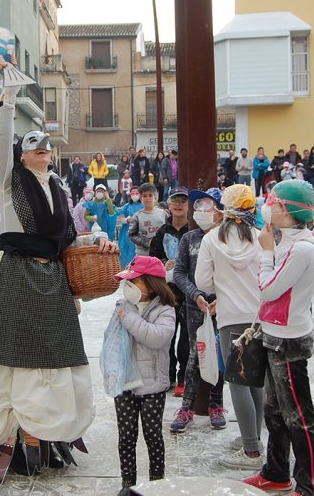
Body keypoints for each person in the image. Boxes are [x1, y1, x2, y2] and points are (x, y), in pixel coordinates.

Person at [0, 64, 118, 484]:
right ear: (22, 153)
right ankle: (15, 441)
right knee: (13, 361)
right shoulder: (9, 180)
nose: (42, 148)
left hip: (54, 278)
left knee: (57, 359)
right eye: (33, 144)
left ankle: (51, 434)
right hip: (15, 275)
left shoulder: (59, 187)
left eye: (46, 145)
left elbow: (68, 238)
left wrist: (99, 242)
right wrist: (6, 96)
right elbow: (2, 139)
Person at [242, 179, 314, 496]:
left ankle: (311, 487)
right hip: (275, 334)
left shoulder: (302, 248)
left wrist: (266, 252)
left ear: (288, 210)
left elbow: (268, 288)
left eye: (274, 202)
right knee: (274, 411)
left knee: (299, 417)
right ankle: (276, 472)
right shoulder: (289, 242)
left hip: (289, 341)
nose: (269, 206)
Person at [195, 184, 265, 470]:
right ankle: (255, 438)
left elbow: (203, 283)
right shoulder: (260, 238)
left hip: (230, 316)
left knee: (237, 381)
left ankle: (251, 451)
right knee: (256, 380)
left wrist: (222, 288)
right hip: (258, 316)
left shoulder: (212, 239)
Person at [111, 256, 176, 490]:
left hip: (152, 387)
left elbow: (157, 338)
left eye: (133, 281)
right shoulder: (122, 305)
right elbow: (113, 344)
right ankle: (127, 483)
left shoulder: (165, 310)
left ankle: (157, 484)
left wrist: (129, 319)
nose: (127, 287)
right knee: (126, 437)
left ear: (151, 283)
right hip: (126, 384)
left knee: (153, 436)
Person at [169, 188, 227, 433]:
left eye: (208, 206)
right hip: (195, 307)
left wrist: (221, 299)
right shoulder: (189, 239)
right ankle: (186, 407)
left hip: (222, 307)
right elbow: (179, 273)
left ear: (220, 212)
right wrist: (195, 294)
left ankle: (216, 403)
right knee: (195, 354)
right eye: (198, 206)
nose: (202, 212)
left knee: (219, 354)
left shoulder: (227, 238)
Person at [148, 187, 190, 397]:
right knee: (167, 337)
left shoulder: (193, 232)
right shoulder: (162, 231)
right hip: (166, 292)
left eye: (183, 200)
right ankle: (168, 376)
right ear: (169, 204)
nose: (179, 204)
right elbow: (152, 258)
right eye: (175, 200)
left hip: (188, 292)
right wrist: (164, 264)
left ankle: (183, 377)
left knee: (186, 339)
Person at [129, 183, 166, 257]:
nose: (148, 198)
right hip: (143, 255)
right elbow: (132, 235)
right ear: (141, 198)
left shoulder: (163, 214)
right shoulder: (137, 216)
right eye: (144, 196)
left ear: (155, 196)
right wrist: (147, 243)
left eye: (150, 195)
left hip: (161, 254)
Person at [117, 186, 142, 268]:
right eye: (132, 193)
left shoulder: (144, 205)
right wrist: (127, 220)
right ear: (130, 195)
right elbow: (121, 218)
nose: (134, 195)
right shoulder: (127, 206)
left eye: (136, 193)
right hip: (127, 232)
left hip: (140, 231)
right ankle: (127, 267)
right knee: (127, 250)